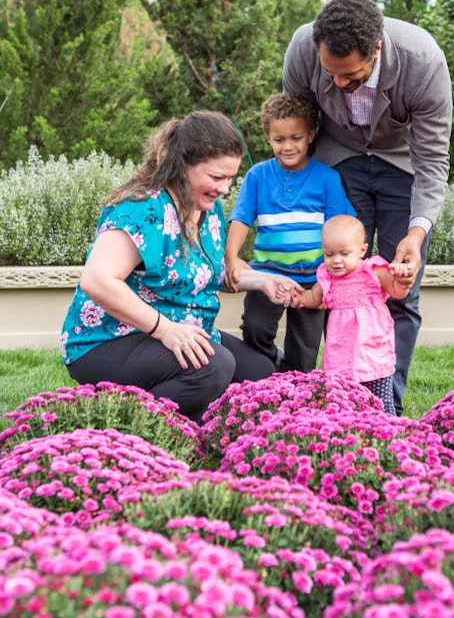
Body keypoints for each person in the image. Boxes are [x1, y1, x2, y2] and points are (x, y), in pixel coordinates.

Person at [61, 111, 297, 423]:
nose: (225, 188)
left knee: (258, 372)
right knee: (213, 368)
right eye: (217, 178)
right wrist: (166, 330)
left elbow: (203, 275)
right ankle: (112, 424)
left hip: (183, 326)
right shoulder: (142, 209)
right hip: (109, 338)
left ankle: (202, 425)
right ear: (182, 165)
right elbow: (98, 280)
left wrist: (262, 281)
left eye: (230, 178)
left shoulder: (207, 211)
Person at [283, 0, 452, 414]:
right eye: (331, 74)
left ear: (376, 49)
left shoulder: (422, 61)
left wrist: (416, 235)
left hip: (401, 166)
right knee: (329, 278)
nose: (340, 83)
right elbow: (296, 126)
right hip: (338, 161)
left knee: (399, 291)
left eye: (353, 76)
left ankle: (383, 410)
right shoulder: (303, 49)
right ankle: (313, 397)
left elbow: (432, 161)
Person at [224, 92, 354, 372]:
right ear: (268, 138)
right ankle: (270, 369)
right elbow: (242, 218)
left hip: (313, 279)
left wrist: (328, 280)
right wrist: (232, 257)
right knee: (255, 331)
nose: (288, 146)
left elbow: (341, 227)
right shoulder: (257, 176)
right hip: (267, 274)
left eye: (296, 138)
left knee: (305, 350)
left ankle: (295, 387)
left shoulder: (328, 178)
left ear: (310, 135)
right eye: (279, 140)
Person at [290, 214, 410, 415]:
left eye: (344, 254)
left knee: (380, 402)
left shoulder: (373, 271)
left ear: (362, 250)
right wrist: (299, 299)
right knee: (342, 401)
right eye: (329, 255)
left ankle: (388, 434)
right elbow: (314, 298)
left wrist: (403, 282)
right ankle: (347, 432)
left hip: (373, 351)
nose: (336, 261)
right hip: (341, 353)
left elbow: (397, 292)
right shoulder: (327, 277)